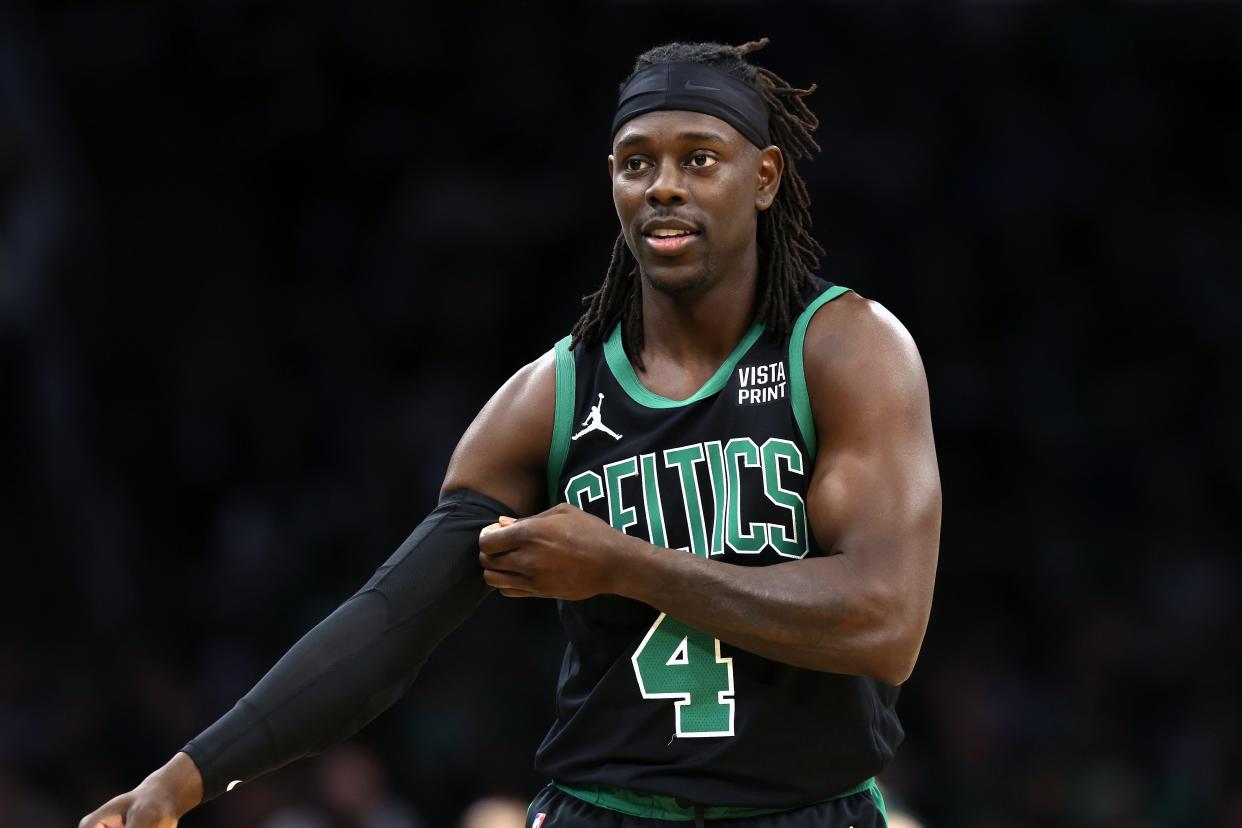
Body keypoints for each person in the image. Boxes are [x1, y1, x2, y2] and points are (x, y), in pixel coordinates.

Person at [80, 38, 940, 828]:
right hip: (601, 808)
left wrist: (627, 565)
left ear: (765, 177)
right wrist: (185, 777)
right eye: (638, 163)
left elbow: (884, 625)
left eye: (699, 160)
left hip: (809, 809)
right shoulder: (551, 395)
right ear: (612, 181)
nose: (664, 186)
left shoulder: (845, 351)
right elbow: (388, 625)